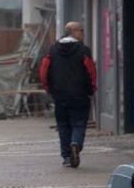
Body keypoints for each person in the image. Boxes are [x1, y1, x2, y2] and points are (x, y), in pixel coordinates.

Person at [40, 21, 97, 168]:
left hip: (60, 95)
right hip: (80, 95)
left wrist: (49, 89)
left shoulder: (53, 50)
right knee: (79, 123)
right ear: (72, 32)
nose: (83, 33)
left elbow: (44, 71)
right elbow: (91, 71)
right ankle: (76, 143)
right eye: (81, 30)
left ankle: (66, 156)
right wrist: (91, 90)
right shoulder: (84, 50)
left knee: (63, 126)